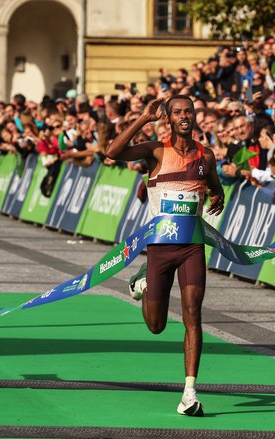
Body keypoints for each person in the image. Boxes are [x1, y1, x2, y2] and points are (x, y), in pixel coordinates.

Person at [106, 95, 225, 417]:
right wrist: (144, 120)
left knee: (192, 314)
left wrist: (219, 196)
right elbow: (112, 152)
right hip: (160, 250)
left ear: (195, 116)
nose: (184, 116)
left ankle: (189, 392)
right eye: (177, 112)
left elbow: (214, 185)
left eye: (189, 111)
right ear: (169, 118)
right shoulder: (155, 150)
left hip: (191, 249)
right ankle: (144, 285)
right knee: (156, 325)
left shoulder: (206, 155)